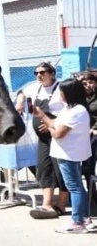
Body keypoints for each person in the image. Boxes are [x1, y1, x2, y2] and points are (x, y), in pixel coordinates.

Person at [32, 78, 96, 233]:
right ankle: (84, 218)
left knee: (74, 187)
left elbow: (58, 133)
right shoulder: (70, 108)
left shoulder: (77, 111)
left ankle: (77, 222)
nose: (59, 94)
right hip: (68, 153)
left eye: (61, 91)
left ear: (68, 93)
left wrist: (49, 126)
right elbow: (56, 123)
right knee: (77, 187)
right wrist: (42, 116)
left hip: (68, 154)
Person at [13, 62, 67, 219]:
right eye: (36, 73)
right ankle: (47, 205)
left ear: (52, 74)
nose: (39, 75)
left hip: (60, 137)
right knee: (44, 169)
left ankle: (62, 205)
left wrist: (52, 123)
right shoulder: (35, 88)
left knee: (61, 171)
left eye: (42, 72)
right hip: (43, 140)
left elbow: (70, 112)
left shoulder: (61, 89)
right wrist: (19, 101)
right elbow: (22, 91)